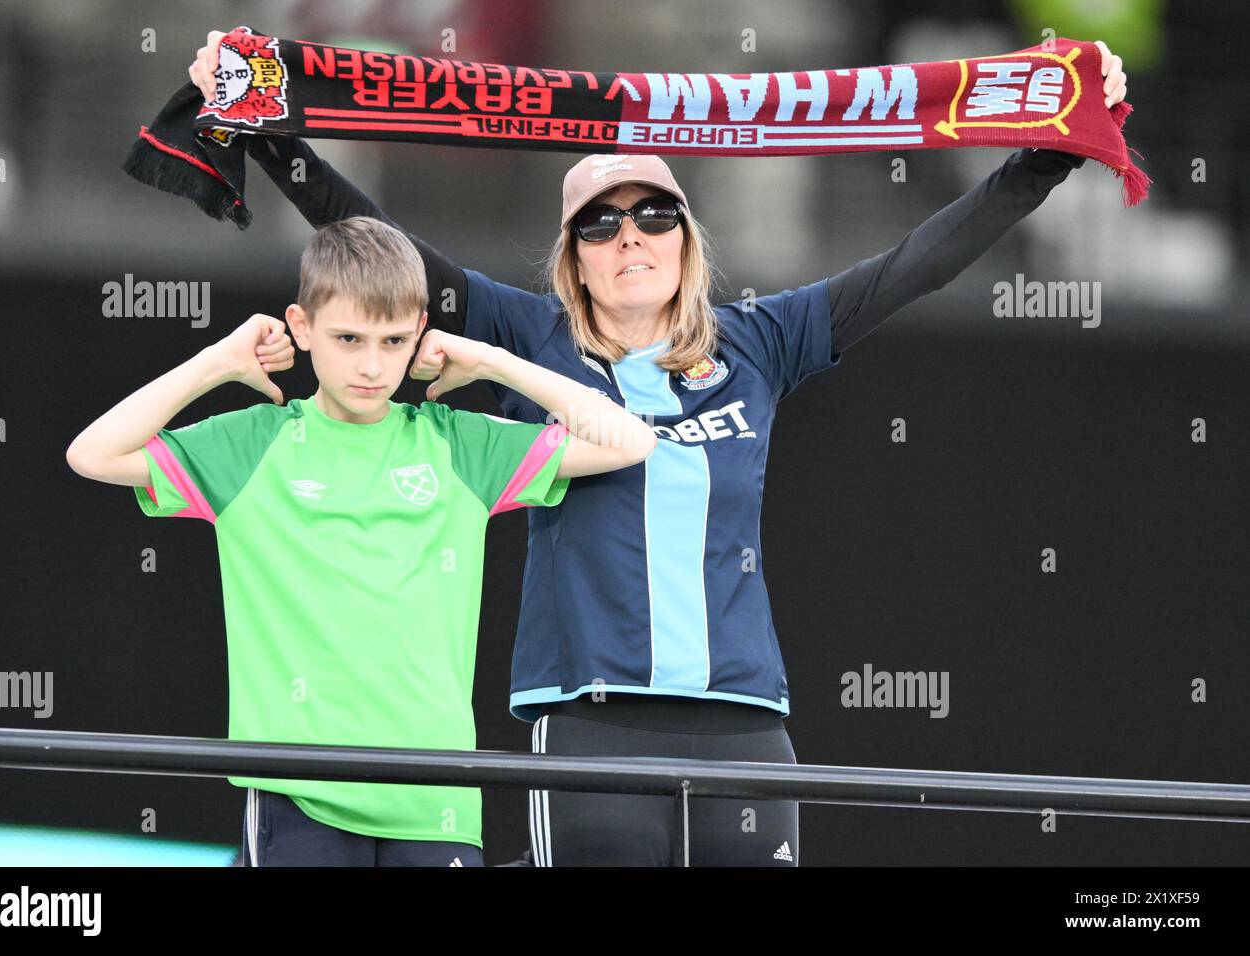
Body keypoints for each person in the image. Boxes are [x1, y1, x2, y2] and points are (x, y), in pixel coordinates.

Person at [188, 34, 1128, 867]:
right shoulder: (531, 333)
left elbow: (915, 265)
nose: (628, 237)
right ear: (573, 255)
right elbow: (381, 247)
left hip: (747, 720)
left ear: (686, 238)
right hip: (591, 716)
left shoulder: (759, 339)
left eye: (652, 216)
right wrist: (267, 127)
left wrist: (1044, 159)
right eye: (600, 223)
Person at [65, 217, 657, 866]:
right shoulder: (251, 444)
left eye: (394, 340)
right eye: (348, 338)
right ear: (302, 325)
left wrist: (491, 359)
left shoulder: (458, 443)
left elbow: (628, 440)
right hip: (299, 796)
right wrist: (216, 363)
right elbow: (92, 453)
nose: (373, 365)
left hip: (439, 804)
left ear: (421, 334)